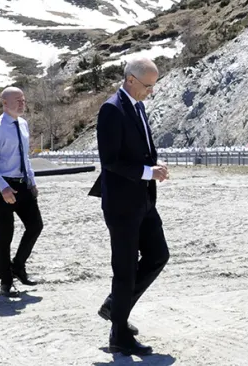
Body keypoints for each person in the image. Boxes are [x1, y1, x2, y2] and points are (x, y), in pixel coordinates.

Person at [89, 57, 170, 357]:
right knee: (124, 270)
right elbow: (110, 160)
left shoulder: (138, 106)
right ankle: (119, 335)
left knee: (159, 255)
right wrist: (148, 172)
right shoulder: (112, 109)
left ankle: (115, 307)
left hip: (144, 200)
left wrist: (153, 164)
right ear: (131, 79)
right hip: (122, 204)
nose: (151, 91)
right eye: (148, 85)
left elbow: (138, 150)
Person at [0, 87, 42, 297]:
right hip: (4, 186)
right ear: (4, 103)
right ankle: (5, 282)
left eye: (23, 100)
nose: (21, 103)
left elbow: (24, 157)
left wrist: (32, 182)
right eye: (17, 100)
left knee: (35, 226)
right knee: (5, 236)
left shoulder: (23, 124)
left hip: (23, 183)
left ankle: (18, 266)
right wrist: (3, 187)